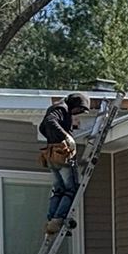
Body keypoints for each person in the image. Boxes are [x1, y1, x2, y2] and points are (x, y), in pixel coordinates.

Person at [38, 93, 88, 234]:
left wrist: (53, 137)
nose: (77, 113)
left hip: (51, 154)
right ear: (74, 104)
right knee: (70, 190)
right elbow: (49, 122)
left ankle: (51, 220)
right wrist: (65, 136)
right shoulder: (61, 108)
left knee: (59, 190)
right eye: (78, 109)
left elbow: (42, 128)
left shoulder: (56, 108)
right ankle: (58, 219)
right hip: (62, 154)